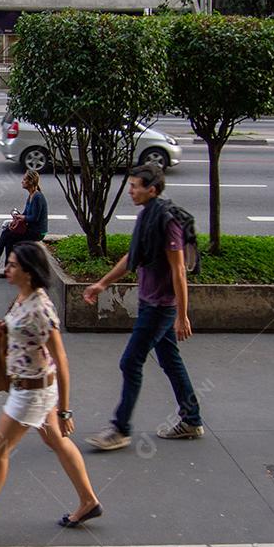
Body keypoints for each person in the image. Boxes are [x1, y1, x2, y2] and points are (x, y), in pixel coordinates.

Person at [0, 242, 102, 537]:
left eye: (13, 265)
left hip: (33, 392)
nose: (7, 269)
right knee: (57, 442)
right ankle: (89, 501)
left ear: (29, 272)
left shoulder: (40, 309)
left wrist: (65, 410)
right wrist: (3, 326)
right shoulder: (23, 298)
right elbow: (22, 331)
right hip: (31, 387)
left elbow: (62, 360)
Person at [83, 163, 204, 450]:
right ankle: (192, 419)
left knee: (130, 362)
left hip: (160, 306)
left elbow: (179, 271)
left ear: (152, 189)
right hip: (151, 302)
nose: (130, 191)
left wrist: (182, 315)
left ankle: (120, 429)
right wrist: (102, 283)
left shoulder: (166, 222)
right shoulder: (147, 216)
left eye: (135, 186)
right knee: (171, 362)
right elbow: (132, 256)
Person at [0, 169, 47, 277]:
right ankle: (8, 271)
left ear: (30, 182)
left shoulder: (37, 197)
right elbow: (26, 213)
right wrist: (17, 217)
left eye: (24, 179)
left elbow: (34, 218)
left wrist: (22, 217)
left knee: (7, 234)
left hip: (37, 232)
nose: (22, 181)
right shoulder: (31, 196)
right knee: (8, 239)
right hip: (30, 229)